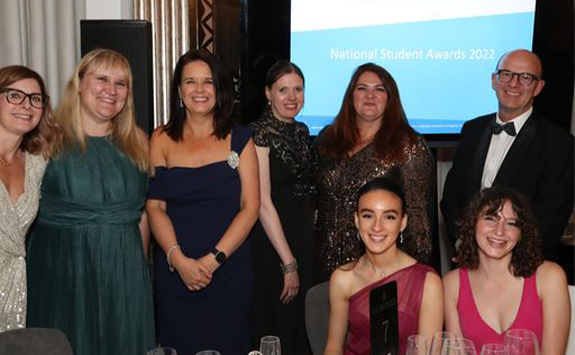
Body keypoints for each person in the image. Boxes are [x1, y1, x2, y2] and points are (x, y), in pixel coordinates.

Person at [26, 49, 155, 355]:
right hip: (62, 272)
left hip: (124, 271)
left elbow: (141, 216)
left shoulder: (138, 141)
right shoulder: (45, 139)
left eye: (121, 83)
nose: (111, 90)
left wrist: (141, 274)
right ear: (80, 83)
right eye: (102, 79)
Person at [146, 49, 259, 355]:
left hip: (228, 271)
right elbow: (155, 207)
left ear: (218, 89)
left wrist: (212, 261)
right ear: (179, 91)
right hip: (175, 274)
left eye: (207, 82)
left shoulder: (240, 139)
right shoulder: (160, 139)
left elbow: (251, 208)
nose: (199, 90)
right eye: (190, 82)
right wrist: (179, 260)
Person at [441, 49, 574, 261]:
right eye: (507, 74)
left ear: (538, 87)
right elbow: (452, 197)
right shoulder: (472, 129)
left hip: (522, 268)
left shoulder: (560, 144)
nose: (513, 84)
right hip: (469, 260)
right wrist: (464, 244)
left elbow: (550, 218)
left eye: (526, 77)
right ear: (494, 80)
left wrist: (497, 254)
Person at [314, 63, 434, 282]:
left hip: (379, 272)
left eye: (379, 89)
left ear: (390, 98)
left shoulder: (409, 145)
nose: (370, 95)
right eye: (362, 88)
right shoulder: (327, 139)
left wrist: (412, 279)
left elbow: (418, 222)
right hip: (324, 267)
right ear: (351, 96)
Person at [443, 187, 570, 355]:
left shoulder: (550, 277)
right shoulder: (452, 283)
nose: (499, 231)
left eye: (511, 223)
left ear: (521, 233)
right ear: (473, 223)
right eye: (491, 219)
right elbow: (455, 352)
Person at [324, 177, 443, 355]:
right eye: (368, 215)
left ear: (402, 222)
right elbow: (333, 348)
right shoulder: (343, 278)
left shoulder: (427, 282)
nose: (377, 227)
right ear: (357, 220)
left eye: (389, 216)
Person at [249, 60, 314, 355]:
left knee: (302, 322)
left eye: (298, 89)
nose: (292, 97)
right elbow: (262, 202)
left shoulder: (302, 130)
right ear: (268, 94)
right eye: (283, 89)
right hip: (273, 241)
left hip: (302, 235)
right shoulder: (258, 133)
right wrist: (288, 262)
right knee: (278, 320)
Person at [0, 65, 52, 332]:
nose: (26, 105)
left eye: (35, 98)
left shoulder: (37, 164)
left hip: (16, 289)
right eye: (14, 95)